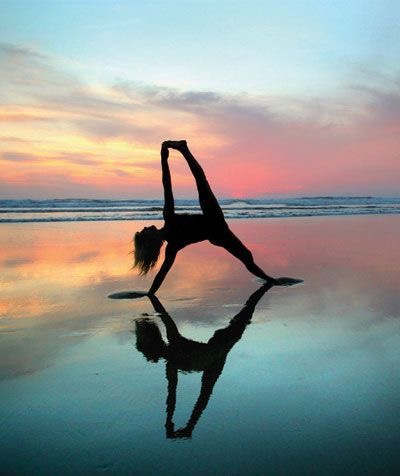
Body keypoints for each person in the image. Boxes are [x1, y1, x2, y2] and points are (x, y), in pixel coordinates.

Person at [134, 140, 278, 295]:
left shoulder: (170, 230)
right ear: (151, 242)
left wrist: (164, 159)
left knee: (201, 183)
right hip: (217, 228)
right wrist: (150, 293)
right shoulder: (172, 244)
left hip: (214, 227)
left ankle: (270, 281)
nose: (145, 228)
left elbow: (166, 185)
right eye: (144, 232)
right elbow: (162, 273)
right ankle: (270, 280)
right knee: (247, 257)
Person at [135, 283, 272, 438]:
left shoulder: (173, 350)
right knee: (247, 312)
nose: (148, 358)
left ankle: (268, 285)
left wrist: (151, 295)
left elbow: (163, 314)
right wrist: (178, 423)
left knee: (247, 311)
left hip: (217, 350)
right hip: (216, 355)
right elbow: (175, 395)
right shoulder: (172, 358)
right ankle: (267, 285)